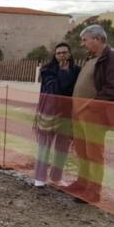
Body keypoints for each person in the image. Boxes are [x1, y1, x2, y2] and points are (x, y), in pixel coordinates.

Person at [64, 24, 114, 203]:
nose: (83, 44)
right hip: (79, 113)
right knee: (82, 151)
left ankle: (94, 190)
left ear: (97, 39)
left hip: (93, 114)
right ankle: (82, 183)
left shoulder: (112, 57)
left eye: (85, 40)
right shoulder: (92, 58)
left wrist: (91, 106)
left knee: (94, 153)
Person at [32, 42, 81, 187]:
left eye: (64, 52)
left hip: (67, 113)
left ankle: (56, 177)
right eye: (59, 53)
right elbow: (54, 88)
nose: (62, 55)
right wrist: (62, 72)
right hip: (49, 111)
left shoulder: (77, 71)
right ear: (55, 55)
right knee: (44, 146)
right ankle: (40, 177)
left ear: (70, 54)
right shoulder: (47, 70)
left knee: (62, 148)